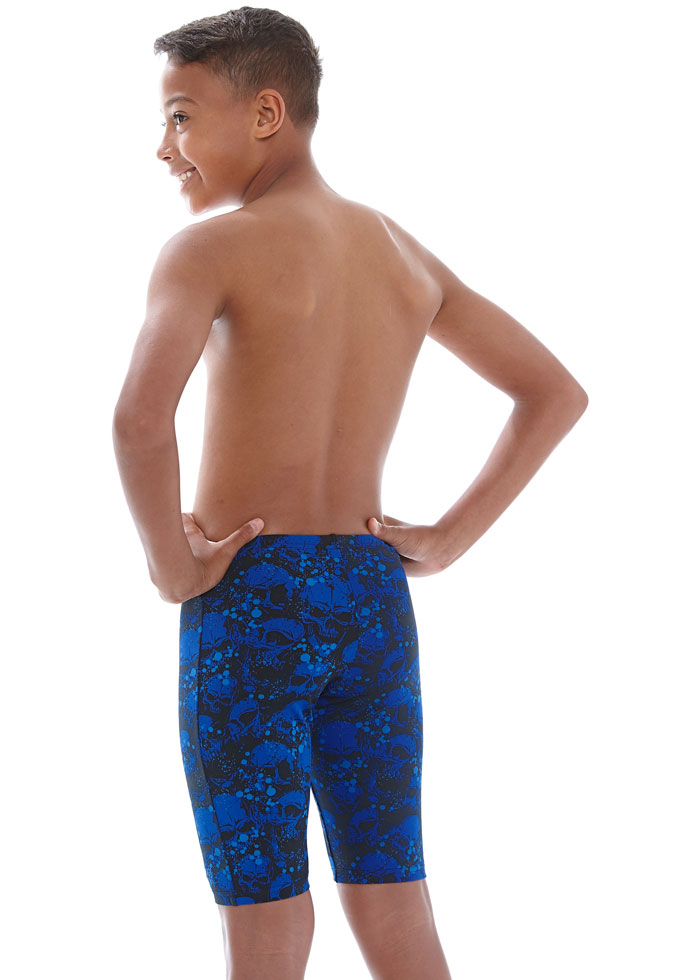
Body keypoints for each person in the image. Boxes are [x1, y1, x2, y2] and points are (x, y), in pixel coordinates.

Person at [112, 7, 588, 979]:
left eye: (180, 116)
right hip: (372, 597)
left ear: (265, 113)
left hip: (250, 600)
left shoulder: (207, 251)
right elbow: (554, 393)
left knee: (267, 918)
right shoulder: (397, 251)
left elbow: (139, 421)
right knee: (395, 902)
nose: (163, 147)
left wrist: (172, 565)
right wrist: (445, 538)